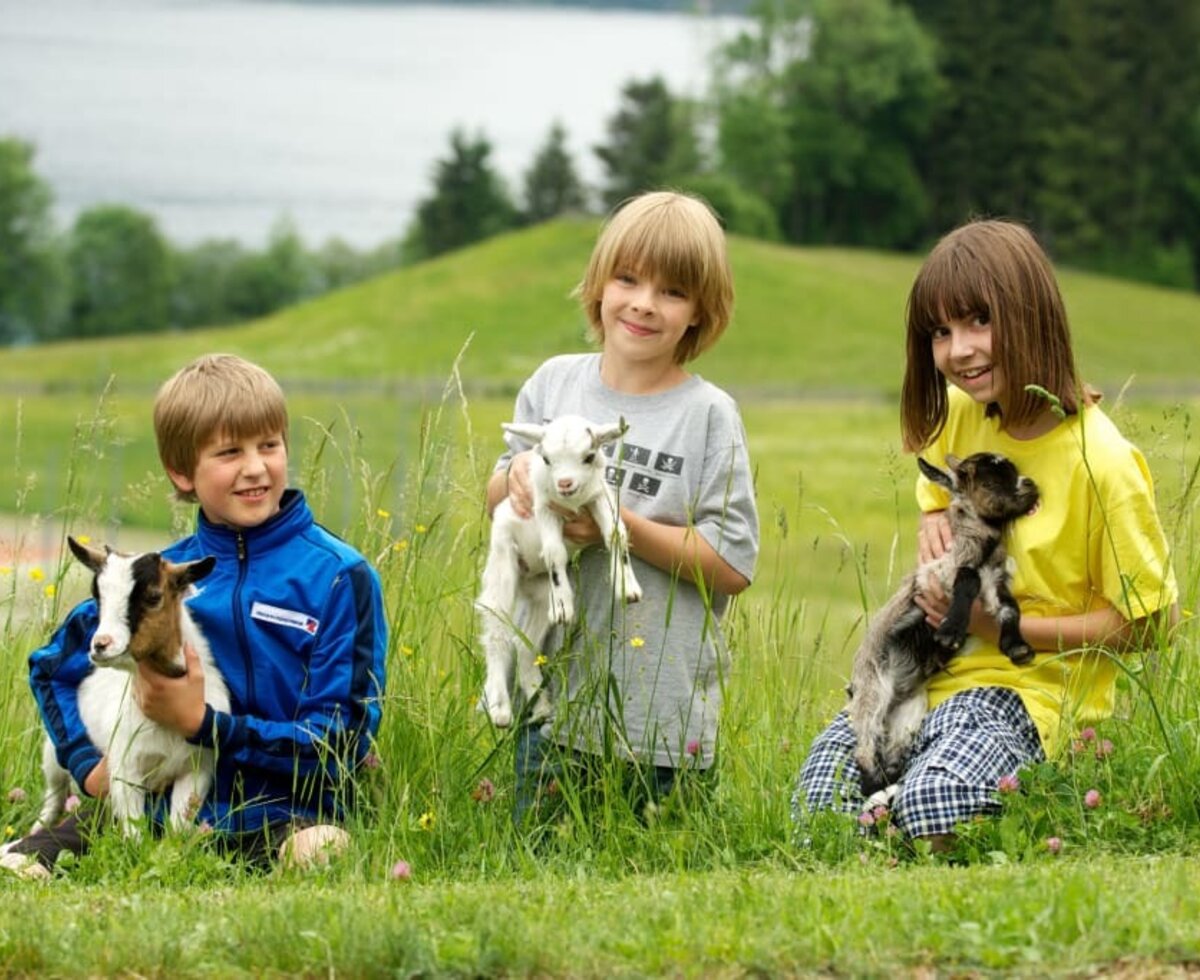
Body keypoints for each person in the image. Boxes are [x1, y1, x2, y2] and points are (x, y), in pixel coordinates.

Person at [793, 218, 1180, 849]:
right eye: (940, 332)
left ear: (1034, 317)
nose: (959, 350)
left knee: (933, 807)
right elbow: (935, 487)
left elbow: (1148, 625)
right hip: (925, 680)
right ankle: (896, 815)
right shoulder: (965, 416)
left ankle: (929, 815)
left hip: (1025, 694)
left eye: (979, 321)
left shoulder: (1103, 463)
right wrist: (929, 519)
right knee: (816, 810)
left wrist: (992, 626)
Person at [1, 353, 387, 878]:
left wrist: (205, 726)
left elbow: (341, 743)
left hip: (282, 815)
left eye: (269, 445)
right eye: (229, 452)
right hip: (150, 809)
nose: (255, 466)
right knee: (17, 867)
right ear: (182, 472)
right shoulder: (153, 581)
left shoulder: (340, 575)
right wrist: (92, 770)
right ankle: (101, 847)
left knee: (324, 852)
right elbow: (51, 668)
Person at [486, 190, 759, 825]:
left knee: (661, 893)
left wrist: (619, 528)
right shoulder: (554, 384)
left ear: (700, 313)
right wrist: (521, 477)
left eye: (672, 292)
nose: (643, 303)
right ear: (599, 286)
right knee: (544, 880)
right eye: (628, 279)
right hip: (552, 707)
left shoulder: (708, 415)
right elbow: (497, 491)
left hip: (663, 723)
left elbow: (733, 565)